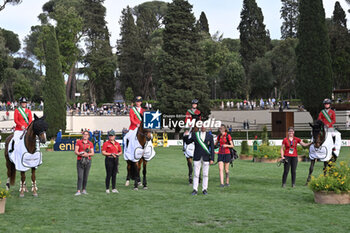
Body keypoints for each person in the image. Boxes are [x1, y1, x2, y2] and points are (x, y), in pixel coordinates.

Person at [184, 124, 214, 195]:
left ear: (206, 127)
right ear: (200, 127)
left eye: (204, 126)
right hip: (197, 156)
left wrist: (212, 158)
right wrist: (186, 135)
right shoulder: (195, 134)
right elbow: (188, 142)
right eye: (202, 126)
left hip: (206, 157)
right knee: (196, 174)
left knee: (205, 174)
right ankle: (195, 189)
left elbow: (212, 148)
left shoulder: (210, 136)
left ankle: (204, 189)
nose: (203, 127)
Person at [74, 130, 94, 196]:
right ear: (82, 135)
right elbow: (76, 151)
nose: (85, 135)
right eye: (84, 134)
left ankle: (84, 189)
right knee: (80, 176)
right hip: (80, 160)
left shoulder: (90, 143)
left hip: (88, 161)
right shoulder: (79, 142)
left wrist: (87, 154)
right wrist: (81, 154)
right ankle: (78, 190)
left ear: (88, 136)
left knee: (86, 176)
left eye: (86, 134)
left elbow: (92, 153)